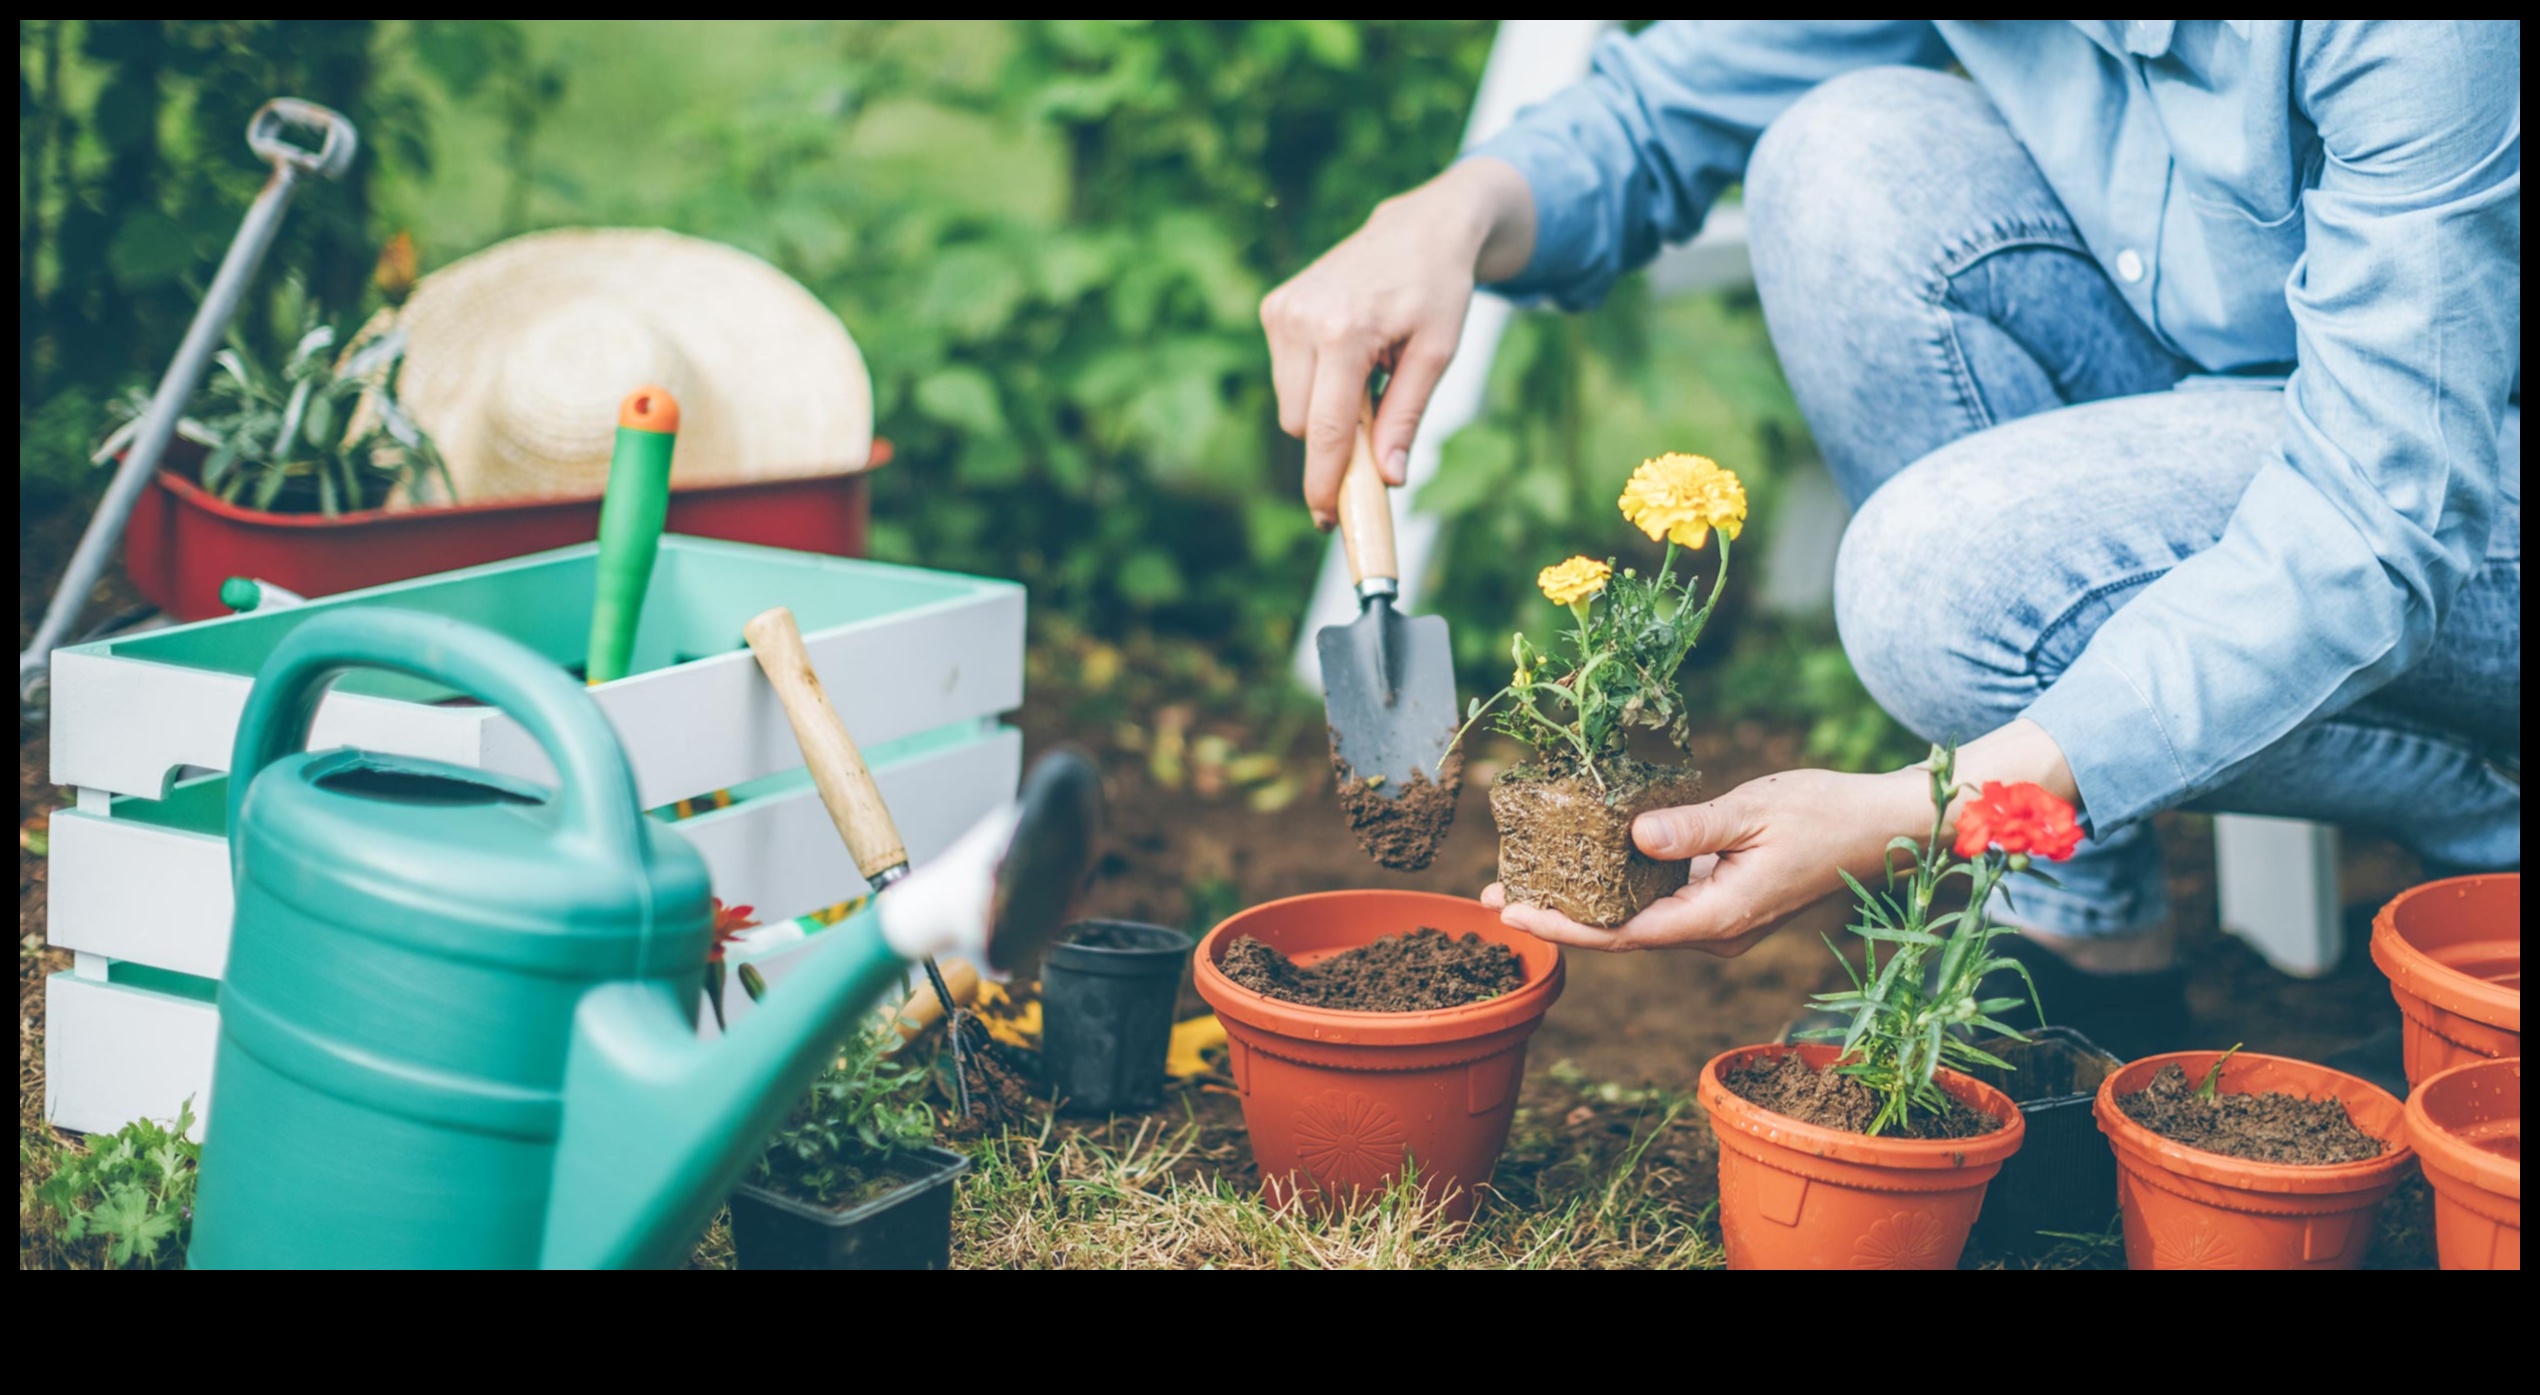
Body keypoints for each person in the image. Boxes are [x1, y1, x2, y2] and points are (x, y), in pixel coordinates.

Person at [1260, 21, 2520, 1057]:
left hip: (2452, 497)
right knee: (1841, 154)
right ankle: (2074, 943)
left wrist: (1934, 805)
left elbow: (2379, 518)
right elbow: (1664, 112)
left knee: (1939, 581)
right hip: (2242, 409)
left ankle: (2493, 803)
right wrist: (1450, 211)